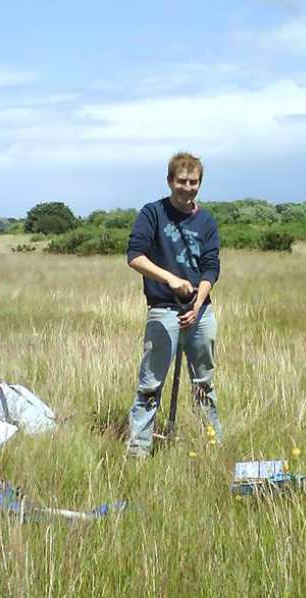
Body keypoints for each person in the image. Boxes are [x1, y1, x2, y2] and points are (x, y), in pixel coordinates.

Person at [126, 151, 223, 458]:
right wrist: (170, 279)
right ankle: (138, 451)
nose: (187, 188)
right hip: (163, 310)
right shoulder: (153, 213)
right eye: (181, 181)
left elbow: (211, 266)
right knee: (150, 384)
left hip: (200, 312)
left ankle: (212, 447)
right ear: (170, 181)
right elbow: (135, 256)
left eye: (193, 182)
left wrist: (198, 302)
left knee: (204, 383)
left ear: (200, 184)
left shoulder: (206, 221)